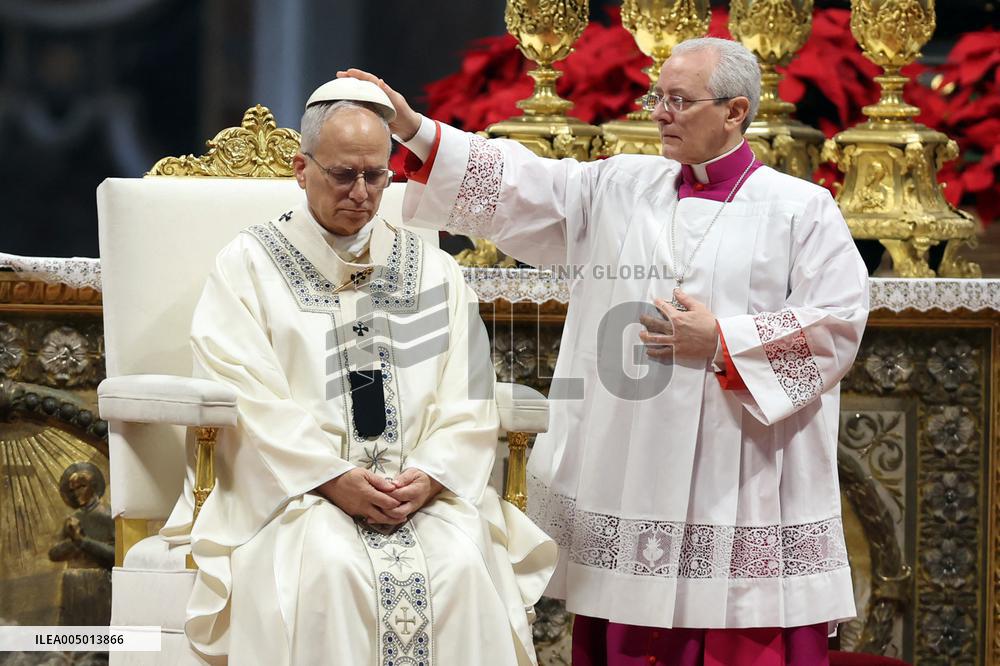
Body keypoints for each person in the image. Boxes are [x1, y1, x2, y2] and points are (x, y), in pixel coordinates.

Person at [342, 35, 869, 666]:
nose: (661, 112)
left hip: (740, 475)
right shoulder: (621, 185)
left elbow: (838, 323)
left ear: (735, 111)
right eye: (658, 97)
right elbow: (520, 183)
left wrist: (723, 342)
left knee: (735, 624)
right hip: (635, 466)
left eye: (679, 99)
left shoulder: (800, 209)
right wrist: (415, 129)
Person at [159, 78, 557, 666]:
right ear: (301, 168)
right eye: (344, 175)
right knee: (330, 566)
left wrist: (432, 475)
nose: (363, 194)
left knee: (461, 565)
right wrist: (331, 478)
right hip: (300, 498)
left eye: (377, 176)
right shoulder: (248, 264)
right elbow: (243, 392)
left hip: (419, 496)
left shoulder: (434, 270)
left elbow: (468, 391)